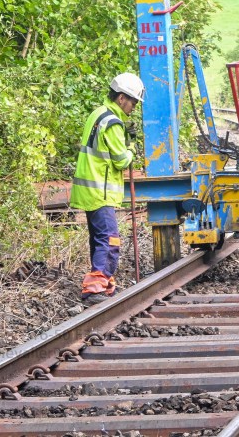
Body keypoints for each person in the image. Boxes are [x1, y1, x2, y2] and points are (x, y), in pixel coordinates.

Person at [70, 72, 145, 305]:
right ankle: (94, 288)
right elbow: (121, 160)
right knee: (110, 239)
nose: (134, 107)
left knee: (99, 238)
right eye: (133, 102)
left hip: (88, 189)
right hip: (100, 190)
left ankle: (104, 281)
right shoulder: (113, 123)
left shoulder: (97, 114)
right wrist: (131, 147)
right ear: (121, 98)